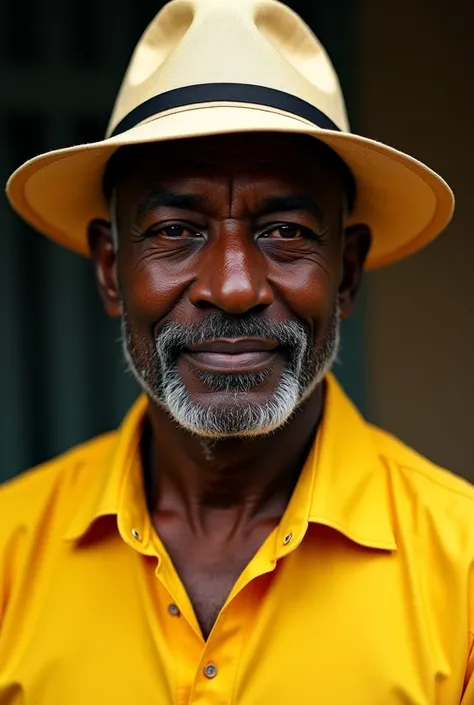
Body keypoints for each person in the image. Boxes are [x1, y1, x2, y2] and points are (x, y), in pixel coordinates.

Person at [1, 0, 473, 703]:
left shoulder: (462, 568)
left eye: (284, 231)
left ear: (344, 273)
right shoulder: (10, 550)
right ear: (109, 268)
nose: (233, 287)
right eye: (176, 229)